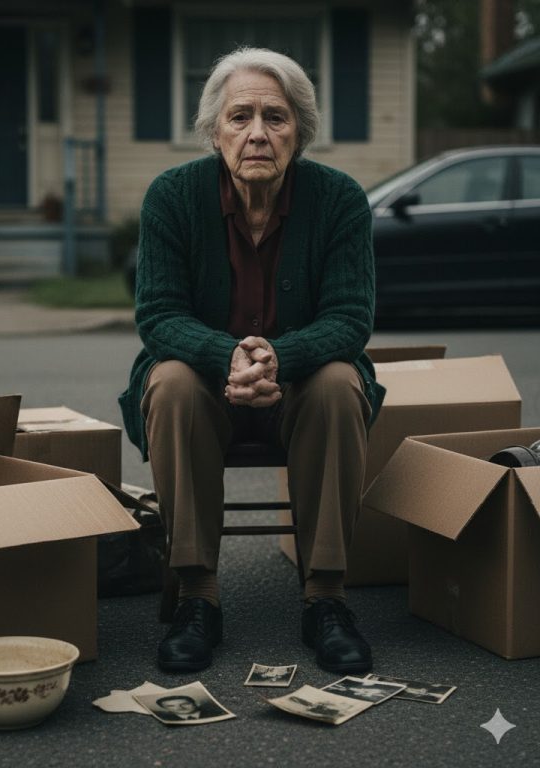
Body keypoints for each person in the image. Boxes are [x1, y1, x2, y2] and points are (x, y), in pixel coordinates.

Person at [118, 47, 385, 676]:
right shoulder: (172, 197)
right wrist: (229, 355)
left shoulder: (340, 199)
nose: (258, 133)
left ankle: (325, 598)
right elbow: (158, 316)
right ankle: (197, 596)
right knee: (173, 383)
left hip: (300, 391)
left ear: (301, 132)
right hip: (208, 389)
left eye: (276, 117)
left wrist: (280, 357)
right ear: (215, 132)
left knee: (340, 384)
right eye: (240, 117)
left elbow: (350, 319)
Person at [153, 694, 227, 722]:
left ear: (196, 704)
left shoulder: (216, 712)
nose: (179, 708)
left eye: (184, 704)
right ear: (165, 709)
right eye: (171, 706)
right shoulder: (167, 719)